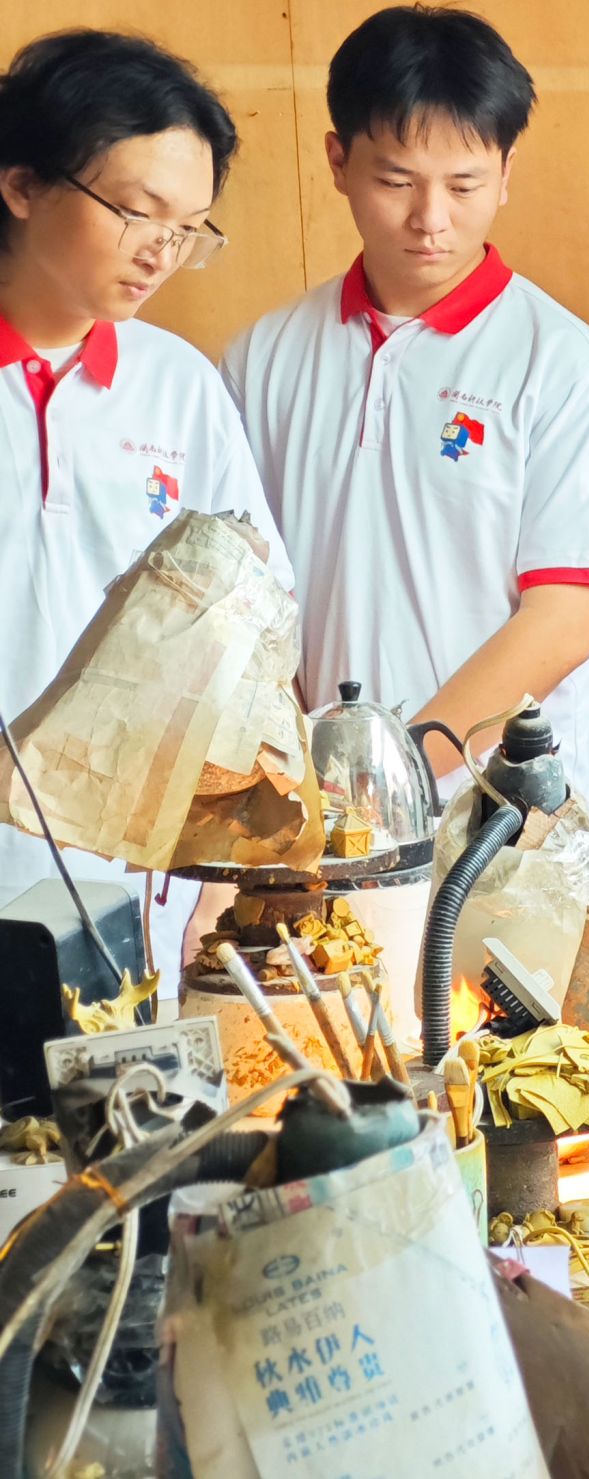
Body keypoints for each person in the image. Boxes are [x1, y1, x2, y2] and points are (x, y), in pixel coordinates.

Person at [222, 5, 589, 804]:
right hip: (323, 817)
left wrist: (391, 775)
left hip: (502, 824)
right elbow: (250, 605)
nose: (430, 219)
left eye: (464, 184)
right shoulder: (262, 360)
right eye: (396, 181)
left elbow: (559, 624)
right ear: (338, 161)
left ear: (506, 172)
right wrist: (319, 788)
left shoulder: (563, 366)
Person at [0, 29, 290, 975]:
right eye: (137, 212)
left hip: (131, 893)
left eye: (190, 227)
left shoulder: (180, 389)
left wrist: (219, 877)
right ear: (22, 183)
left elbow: (249, 636)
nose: (163, 251)